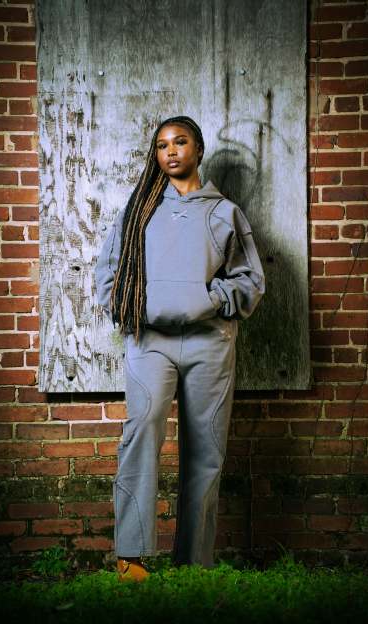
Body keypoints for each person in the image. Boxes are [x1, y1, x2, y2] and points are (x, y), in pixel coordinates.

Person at [95, 115, 265, 581]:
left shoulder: (224, 212)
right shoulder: (139, 211)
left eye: (180, 142)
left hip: (210, 344)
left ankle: (194, 563)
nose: (170, 151)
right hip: (151, 343)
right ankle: (131, 558)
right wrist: (136, 309)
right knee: (141, 433)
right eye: (162, 145)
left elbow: (250, 281)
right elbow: (108, 275)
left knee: (206, 449)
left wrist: (211, 299)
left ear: (198, 149)